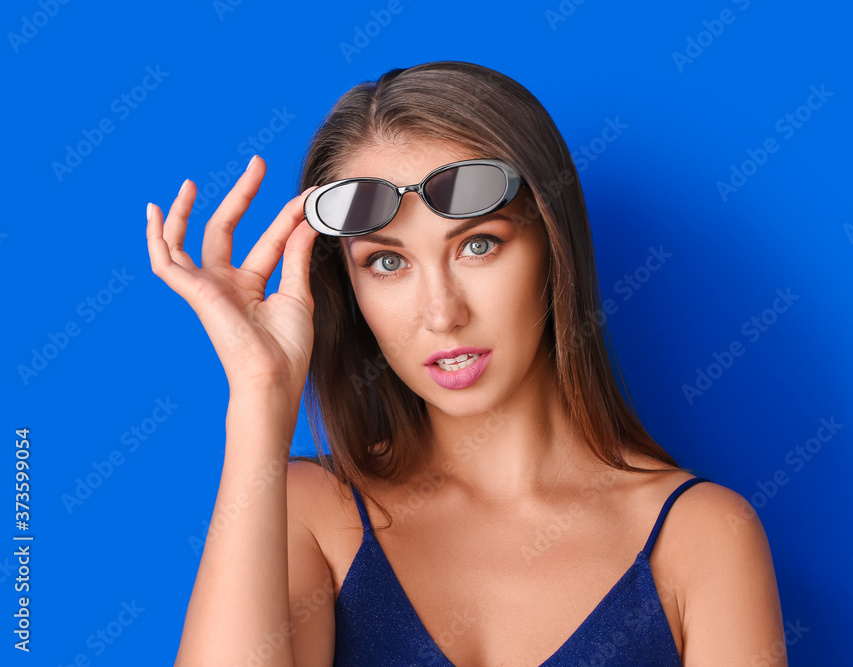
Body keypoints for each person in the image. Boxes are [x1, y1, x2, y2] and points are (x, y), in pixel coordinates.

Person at [146, 61, 786, 666]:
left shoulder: (702, 537)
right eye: (387, 262)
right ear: (348, 287)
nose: (441, 313)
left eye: (478, 245)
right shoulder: (311, 512)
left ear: (553, 249)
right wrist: (261, 395)